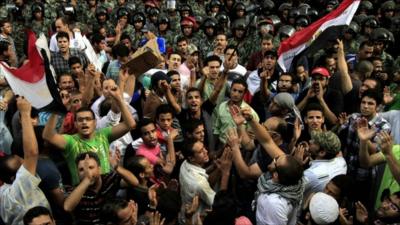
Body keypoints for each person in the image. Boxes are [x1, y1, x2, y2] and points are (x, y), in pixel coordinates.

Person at [43, 85, 136, 185]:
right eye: (80, 120)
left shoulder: (103, 135)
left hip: (107, 189)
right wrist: (58, 108)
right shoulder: (70, 141)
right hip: (83, 194)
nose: (84, 122)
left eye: (88, 119)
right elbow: (48, 136)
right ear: (75, 124)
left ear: (95, 123)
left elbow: (130, 124)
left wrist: (118, 98)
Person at [0, 97, 50, 225]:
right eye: (20, 165)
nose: (24, 162)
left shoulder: (3, 192)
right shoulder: (17, 191)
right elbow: (31, 154)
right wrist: (25, 114)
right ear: (13, 179)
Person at [63, 151, 138, 225]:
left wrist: (116, 166)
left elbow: (134, 182)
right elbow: (67, 207)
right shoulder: (75, 190)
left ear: (99, 169)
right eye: (81, 170)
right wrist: (87, 179)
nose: (87, 172)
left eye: (91, 167)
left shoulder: (108, 179)